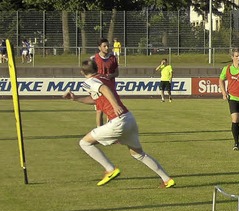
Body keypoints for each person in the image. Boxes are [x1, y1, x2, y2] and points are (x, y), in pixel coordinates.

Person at [63, 59, 175, 188]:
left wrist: (115, 105)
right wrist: (75, 98)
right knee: (138, 154)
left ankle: (109, 169)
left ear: (82, 72)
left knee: (84, 143)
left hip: (118, 121)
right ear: (97, 69)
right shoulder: (104, 78)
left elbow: (103, 89)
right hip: (129, 118)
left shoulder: (90, 82)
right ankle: (167, 179)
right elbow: (96, 99)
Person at [92, 38, 119, 127]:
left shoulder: (113, 58)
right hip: (98, 88)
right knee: (99, 111)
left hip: (110, 88)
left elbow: (117, 73)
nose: (107, 48)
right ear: (99, 47)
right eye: (104, 46)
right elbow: (91, 74)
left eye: (108, 46)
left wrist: (109, 76)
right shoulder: (94, 59)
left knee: (111, 110)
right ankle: (99, 132)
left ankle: (110, 131)